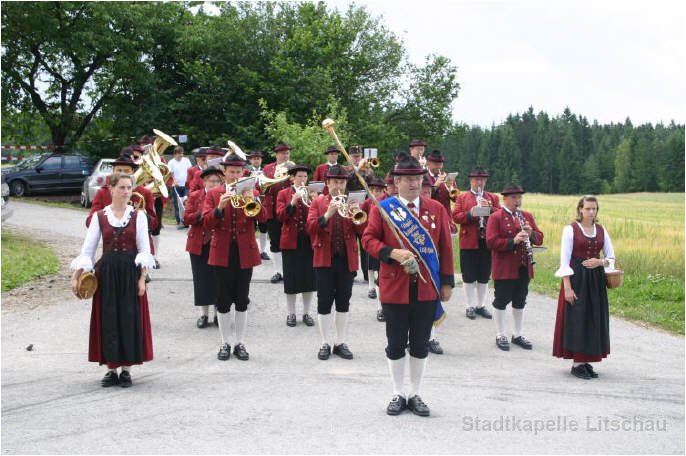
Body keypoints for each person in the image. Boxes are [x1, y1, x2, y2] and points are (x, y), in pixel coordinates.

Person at [362, 155, 454, 417]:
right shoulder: (383, 207)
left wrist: (447, 282)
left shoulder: (436, 209)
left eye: (417, 178)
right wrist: (391, 252)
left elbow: (446, 248)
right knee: (395, 342)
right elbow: (368, 240)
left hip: (427, 288)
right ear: (397, 181)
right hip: (394, 287)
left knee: (420, 343)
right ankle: (397, 392)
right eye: (408, 179)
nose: (413, 183)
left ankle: (415, 393)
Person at [70, 173, 155, 388]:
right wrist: (76, 276)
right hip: (106, 273)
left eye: (129, 187)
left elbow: (145, 249)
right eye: (122, 187)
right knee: (108, 317)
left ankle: (126, 369)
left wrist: (142, 279)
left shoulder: (139, 216)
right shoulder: (100, 216)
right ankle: (111, 368)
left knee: (129, 317)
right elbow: (88, 250)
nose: (126, 192)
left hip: (130, 272)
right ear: (111, 189)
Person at [202, 153, 269, 362]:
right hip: (221, 251)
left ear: (243, 173)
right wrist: (219, 207)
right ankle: (225, 342)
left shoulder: (252, 191)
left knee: (242, 298)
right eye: (231, 172)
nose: (234, 175)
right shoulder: (214, 194)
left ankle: (240, 342)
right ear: (224, 172)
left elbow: (265, 219)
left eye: (238, 172)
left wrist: (253, 201)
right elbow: (206, 223)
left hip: (244, 251)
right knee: (222, 299)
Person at [307, 165, 367, 361]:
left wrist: (358, 216)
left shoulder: (352, 203)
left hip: (346, 260)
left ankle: (340, 342)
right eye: (335, 183)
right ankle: (325, 342)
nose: (338, 186)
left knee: (343, 301)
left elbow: (363, 232)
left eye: (342, 183)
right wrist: (327, 214)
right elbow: (311, 228)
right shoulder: (318, 202)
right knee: (324, 301)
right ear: (327, 183)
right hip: (324, 260)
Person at [553, 195, 615, 380]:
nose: (591, 212)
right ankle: (577, 363)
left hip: (595, 281)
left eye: (594, 209)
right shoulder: (570, 230)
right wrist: (567, 287)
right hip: (577, 279)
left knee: (593, 318)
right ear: (580, 209)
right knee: (578, 318)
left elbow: (611, 257)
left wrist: (600, 261)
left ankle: (586, 360)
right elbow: (564, 260)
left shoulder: (601, 230)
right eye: (587, 208)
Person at [486, 184, 544, 351]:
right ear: (505, 198)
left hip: (523, 266)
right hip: (504, 267)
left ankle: (517, 334)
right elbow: (491, 241)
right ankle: (500, 334)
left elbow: (539, 238)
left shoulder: (526, 216)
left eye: (519, 198)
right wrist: (514, 241)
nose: (517, 201)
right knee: (501, 300)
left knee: (520, 300)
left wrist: (530, 232)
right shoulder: (496, 217)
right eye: (514, 198)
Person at [452, 166, 501, 320]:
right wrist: (470, 213)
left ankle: (481, 305)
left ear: (485, 181)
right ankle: (469, 306)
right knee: (468, 274)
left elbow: (500, 214)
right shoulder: (462, 197)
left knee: (484, 274)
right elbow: (456, 217)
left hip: (487, 241)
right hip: (469, 240)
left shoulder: (492, 197)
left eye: (481, 179)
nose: (478, 182)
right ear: (471, 181)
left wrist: (490, 208)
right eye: (476, 179)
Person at [277, 164, 317, 327]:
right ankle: (291, 313)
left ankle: (306, 313)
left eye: (305, 177)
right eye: (299, 176)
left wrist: (315, 201)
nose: (303, 179)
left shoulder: (312, 193)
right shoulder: (283, 193)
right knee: (291, 280)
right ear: (292, 178)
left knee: (309, 280)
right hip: (290, 241)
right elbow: (280, 216)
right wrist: (292, 202)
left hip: (308, 241)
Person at [185, 166, 224, 329]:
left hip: (218, 243)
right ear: (204, 181)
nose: (214, 184)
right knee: (201, 279)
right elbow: (186, 217)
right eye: (210, 181)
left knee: (218, 280)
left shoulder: (224, 196)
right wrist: (203, 214)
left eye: (217, 181)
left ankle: (217, 314)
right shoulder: (195, 196)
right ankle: (203, 314)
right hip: (199, 243)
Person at [86, 151, 157, 233]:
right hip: (114, 242)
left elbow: (154, 225)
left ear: (133, 172)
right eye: (119, 170)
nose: (122, 174)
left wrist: (145, 216)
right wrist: (108, 214)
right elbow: (89, 223)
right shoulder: (102, 192)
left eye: (126, 171)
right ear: (113, 172)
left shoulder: (145, 192)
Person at [262, 143, 293, 283]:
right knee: (275, 241)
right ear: (276, 154)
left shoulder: (293, 167)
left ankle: (289, 270)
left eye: (287, 153)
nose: (285, 155)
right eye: (282, 153)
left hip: (288, 209)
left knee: (289, 241)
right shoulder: (268, 168)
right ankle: (278, 271)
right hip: (272, 209)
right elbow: (262, 187)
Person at [360, 177, 387, 308]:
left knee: (380, 264)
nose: (375, 193)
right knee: (371, 264)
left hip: (383, 237)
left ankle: (379, 284)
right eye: (373, 190)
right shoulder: (368, 202)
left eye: (378, 191)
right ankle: (371, 286)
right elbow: (361, 215)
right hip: (371, 236)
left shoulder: (386, 202)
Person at [244, 150, 270, 260]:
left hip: (263, 200)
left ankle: (262, 251)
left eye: (258, 158)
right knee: (251, 226)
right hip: (250, 199)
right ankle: (251, 250)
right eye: (254, 158)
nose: (256, 160)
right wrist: (251, 177)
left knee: (264, 227)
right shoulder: (246, 171)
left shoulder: (266, 172)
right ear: (250, 160)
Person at [168, 146, 193, 229]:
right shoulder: (171, 162)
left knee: (186, 202)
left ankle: (186, 220)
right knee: (178, 204)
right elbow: (170, 174)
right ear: (175, 154)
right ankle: (179, 221)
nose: (181, 155)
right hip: (176, 186)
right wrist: (173, 181)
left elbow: (190, 171)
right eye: (179, 153)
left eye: (182, 153)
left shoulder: (186, 160)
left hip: (186, 185)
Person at [424, 149, 453, 216]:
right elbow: (423, 199)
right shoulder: (423, 178)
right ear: (428, 163)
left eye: (441, 164)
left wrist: (450, 188)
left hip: (446, 216)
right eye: (436, 164)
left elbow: (456, 199)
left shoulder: (447, 176)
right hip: (429, 215)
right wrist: (435, 186)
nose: (439, 167)